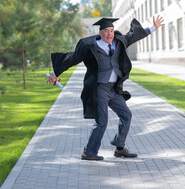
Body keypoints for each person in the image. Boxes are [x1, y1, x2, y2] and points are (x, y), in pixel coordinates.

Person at [46, 15, 164, 161]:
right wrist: (54, 73)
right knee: (102, 121)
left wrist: (153, 28)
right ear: (100, 33)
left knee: (126, 115)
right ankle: (89, 152)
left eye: (112, 30)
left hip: (114, 89)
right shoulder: (90, 46)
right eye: (106, 31)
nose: (109, 34)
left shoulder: (119, 42)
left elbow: (133, 36)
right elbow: (73, 58)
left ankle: (120, 148)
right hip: (99, 88)